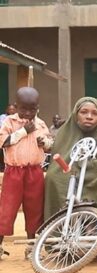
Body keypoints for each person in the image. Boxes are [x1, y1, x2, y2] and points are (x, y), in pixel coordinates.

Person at [0, 87, 52, 259]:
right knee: (7, 208)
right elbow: (4, 142)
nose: (28, 113)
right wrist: (24, 132)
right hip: (14, 172)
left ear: (37, 107)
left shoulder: (41, 123)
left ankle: (31, 248)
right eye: (24, 109)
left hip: (34, 172)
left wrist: (43, 142)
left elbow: (49, 144)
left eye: (32, 109)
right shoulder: (9, 122)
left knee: (34, 208)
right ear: (16, 106)